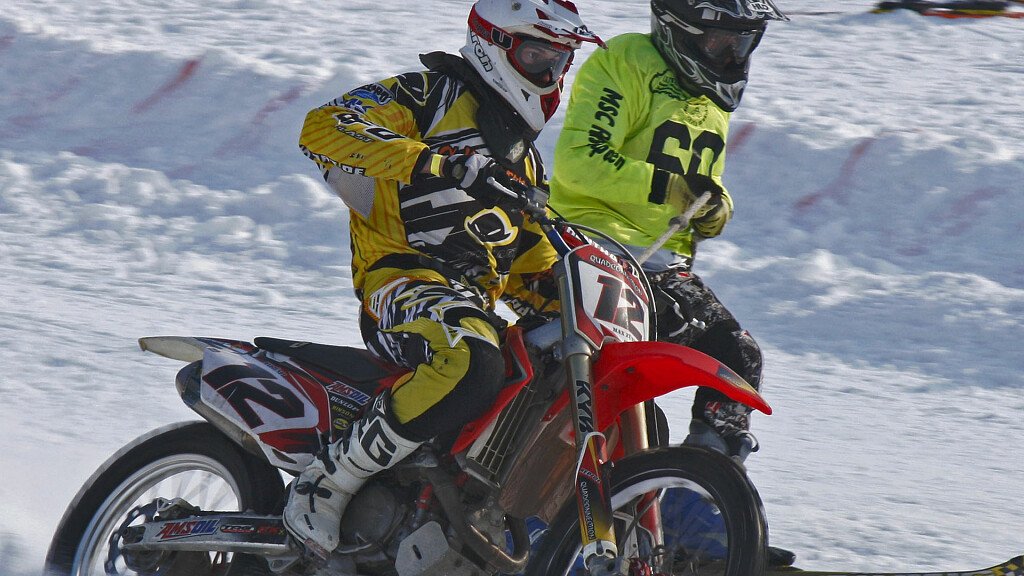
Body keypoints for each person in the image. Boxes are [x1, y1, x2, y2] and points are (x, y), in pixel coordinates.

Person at [283, 0, 602, 565]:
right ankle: (328, 479)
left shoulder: (522, 164)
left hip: (473, 301)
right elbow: (324, 126)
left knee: (561, 365)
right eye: (537, 56)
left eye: (560, 63)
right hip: (401, 282)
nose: (550, 76)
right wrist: (440, 164)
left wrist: (573, 284)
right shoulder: (427, 95)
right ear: (492, 45)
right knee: (472, 356)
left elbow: (528, 262)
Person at [548, 0, 795, 566]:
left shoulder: (710, 100)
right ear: (680, 31)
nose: (733, 56)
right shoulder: (624, 62)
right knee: (617, 403)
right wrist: (668, 189)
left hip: (662, 266)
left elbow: (701, 183)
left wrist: (715, 207)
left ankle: (704, 506)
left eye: (744, 43)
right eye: (722, 43)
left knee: (737, 359)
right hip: (591, 253)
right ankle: (681, 515)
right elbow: (578, 162)